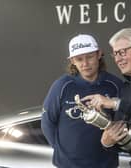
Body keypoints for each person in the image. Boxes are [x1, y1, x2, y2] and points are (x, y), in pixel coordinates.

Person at [41, 34, 123, 168]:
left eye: (89, 57)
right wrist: (61, 152)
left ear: (99, 54)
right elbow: (47, 122)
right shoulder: (62, 86)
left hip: (106, 164)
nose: (85, 64)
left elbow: (123, 122)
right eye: (79, 59)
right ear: (72, 61)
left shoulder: (114, 84)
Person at [81, 27, 131, 168]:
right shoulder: (125, 89)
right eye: (115, 54)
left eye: (122, 52)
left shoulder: (119, 99)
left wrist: (116, 104)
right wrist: (108, 142)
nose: (118, 59)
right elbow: (126, 139)